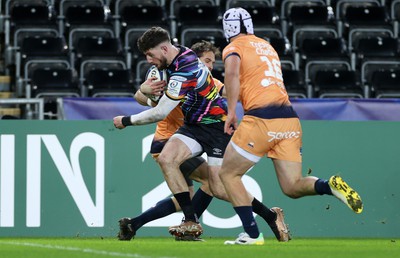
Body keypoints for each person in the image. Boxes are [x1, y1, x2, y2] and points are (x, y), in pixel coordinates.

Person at [116, 39, 290, 242]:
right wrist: (143, 91)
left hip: (194, 136)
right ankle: (192, 224)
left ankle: (140, 224)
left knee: (198, 191)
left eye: (212, 62)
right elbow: (148, 99)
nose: (210, 66)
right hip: (168, 139)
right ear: (195, 60)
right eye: (206, 61)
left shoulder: (208, 82)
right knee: (210, 184)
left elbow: (234, 92)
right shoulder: (176, 76)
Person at [217, 8, 363, 245]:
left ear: (229, 28)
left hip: (262, 120)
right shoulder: (267, 47)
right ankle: (329, 186)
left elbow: (232, 76)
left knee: (228, 174)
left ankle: (252, 235)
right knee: (292, 187)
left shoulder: (233, 47)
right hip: (289, 121)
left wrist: (231, 112)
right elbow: (254, 85)